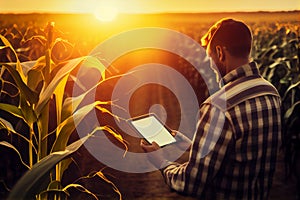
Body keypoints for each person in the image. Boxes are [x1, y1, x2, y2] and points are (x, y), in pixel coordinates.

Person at [141, 18, 282, 199]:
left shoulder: (218, 107)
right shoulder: (271, 92)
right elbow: (240, 153)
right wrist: (190, 144)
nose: (210, 66)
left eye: (210, 58)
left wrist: (160, 162)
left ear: (220, 52)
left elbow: (192, 183)